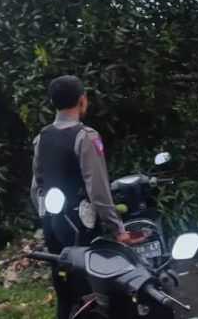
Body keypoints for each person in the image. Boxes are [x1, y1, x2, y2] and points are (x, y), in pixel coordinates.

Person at [30, 75, 136, 318]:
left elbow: (36, 187)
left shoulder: (42, 137)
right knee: (89, 290)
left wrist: (46, 217)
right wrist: (118, 228)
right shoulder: (86, 136)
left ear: (53, 102)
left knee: (63, 287)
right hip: (79, 225)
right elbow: (98, 190)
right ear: (81, 100)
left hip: (51, 223)